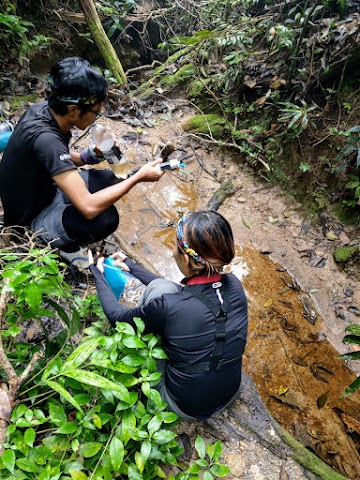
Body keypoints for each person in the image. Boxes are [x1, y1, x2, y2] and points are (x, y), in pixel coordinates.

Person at [89, 210, 248, 420]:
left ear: (188, 259)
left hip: (183, 406)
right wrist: (133, 267)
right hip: (230, 392)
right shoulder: (234, 285)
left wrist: (97, 273)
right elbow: (194, 296)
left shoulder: (168, 307)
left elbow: (116, 317)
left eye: (175, 246)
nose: (172, 251)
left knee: (157, 291)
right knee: (165, 292)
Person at [0, 57, 163, 256]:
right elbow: (88, 207)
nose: (97, 116)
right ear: (73, 110)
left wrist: (91, 155)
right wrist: (138, 177)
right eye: (95, 112)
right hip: (31, 218)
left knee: (111, 178)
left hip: (45, 190)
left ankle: (66, 224)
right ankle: (57, 246)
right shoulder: (47, 140)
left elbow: (57, 155)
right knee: (106, 219)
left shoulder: (43, 111)